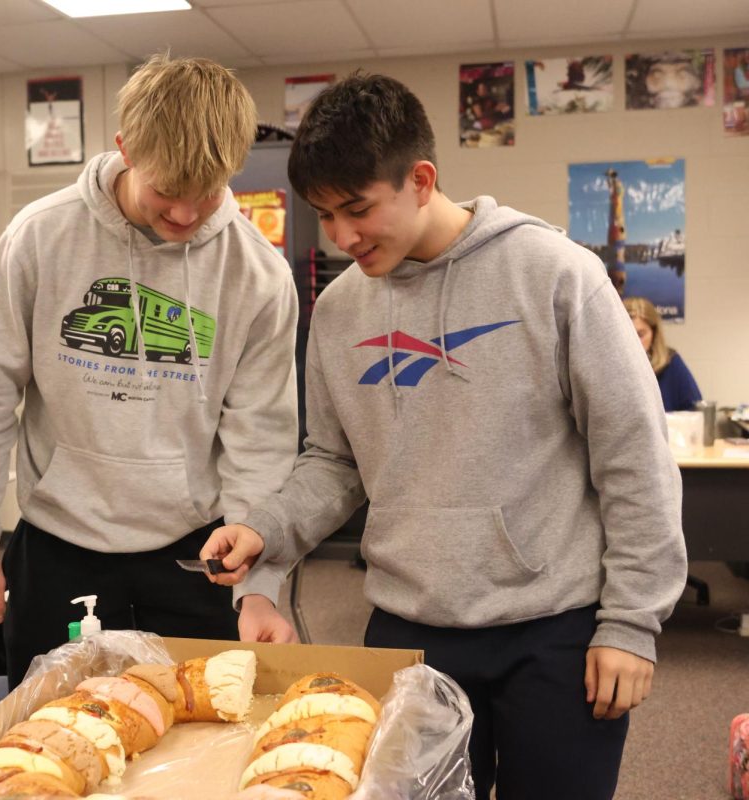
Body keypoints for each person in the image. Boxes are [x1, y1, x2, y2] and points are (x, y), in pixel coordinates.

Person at [201, 72, 687, 800]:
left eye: (357, 209)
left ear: (421, 179)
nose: (341, 236)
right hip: (408, 630)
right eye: (324, 215)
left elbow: (635, 461)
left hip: (554, 631)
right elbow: (333, 463)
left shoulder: (557, 276)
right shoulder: (336, 312)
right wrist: (267, 530)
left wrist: (630, 625)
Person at [0, 53, 299, 688]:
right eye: (167, 191)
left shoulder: (259, 275)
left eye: (207, 194)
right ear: (126, 148)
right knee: (53, 745)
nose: (187, 216)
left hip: (197, 555)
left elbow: (261, 441)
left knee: (198, 753)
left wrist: (262, 585)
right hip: (57, 547)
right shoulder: (39, 236)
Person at [624, 296, 701, 412]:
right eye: (628, 335)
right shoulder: (608, 368)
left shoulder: (671, 362)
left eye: (640, 335)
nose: (635, 343)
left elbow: (695, 410)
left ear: (654, 333)